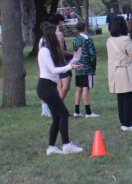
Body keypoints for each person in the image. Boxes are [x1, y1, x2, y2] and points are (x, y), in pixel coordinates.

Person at [36, 22, 83, 155]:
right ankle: (66, 145)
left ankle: (51, 148)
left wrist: (74, 60)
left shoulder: (51, 50)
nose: (60, 33)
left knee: (57, 117)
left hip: (50, 87)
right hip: (45, 87)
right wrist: (70, 66)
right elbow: (53, 70)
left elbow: (60, 68)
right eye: (57, 31)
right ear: (52, 34)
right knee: (63, 114)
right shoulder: (44, 51)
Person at [106, 16, 132, 131]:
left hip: (114, 71)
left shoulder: (109, 40)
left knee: (120, 98)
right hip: (125, 71)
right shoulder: (125, 39)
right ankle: (128, 123)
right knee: (128, 97)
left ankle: (123, 122)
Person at [71, 20, 99, 117]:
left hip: (78, 66)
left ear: (77, 29)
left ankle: (77, 111)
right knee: (86, 87)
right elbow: (92, 54)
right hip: (87, 67)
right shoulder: (88, 39)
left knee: (79, 88)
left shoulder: (75, 40)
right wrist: (93, 65)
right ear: (85, 28)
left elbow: (75, 53)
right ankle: (88, 112)